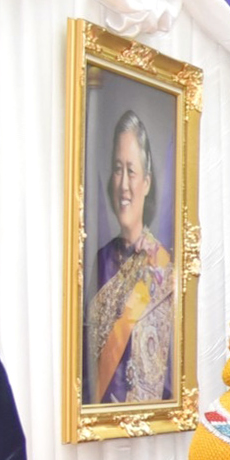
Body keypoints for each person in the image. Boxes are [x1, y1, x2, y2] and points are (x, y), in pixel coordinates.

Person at [85, 109, 176, 405]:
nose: (123, 184)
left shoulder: (163, 267)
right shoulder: (100, 259)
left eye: (132, 171)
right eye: (117, 168)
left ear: (147, 183)